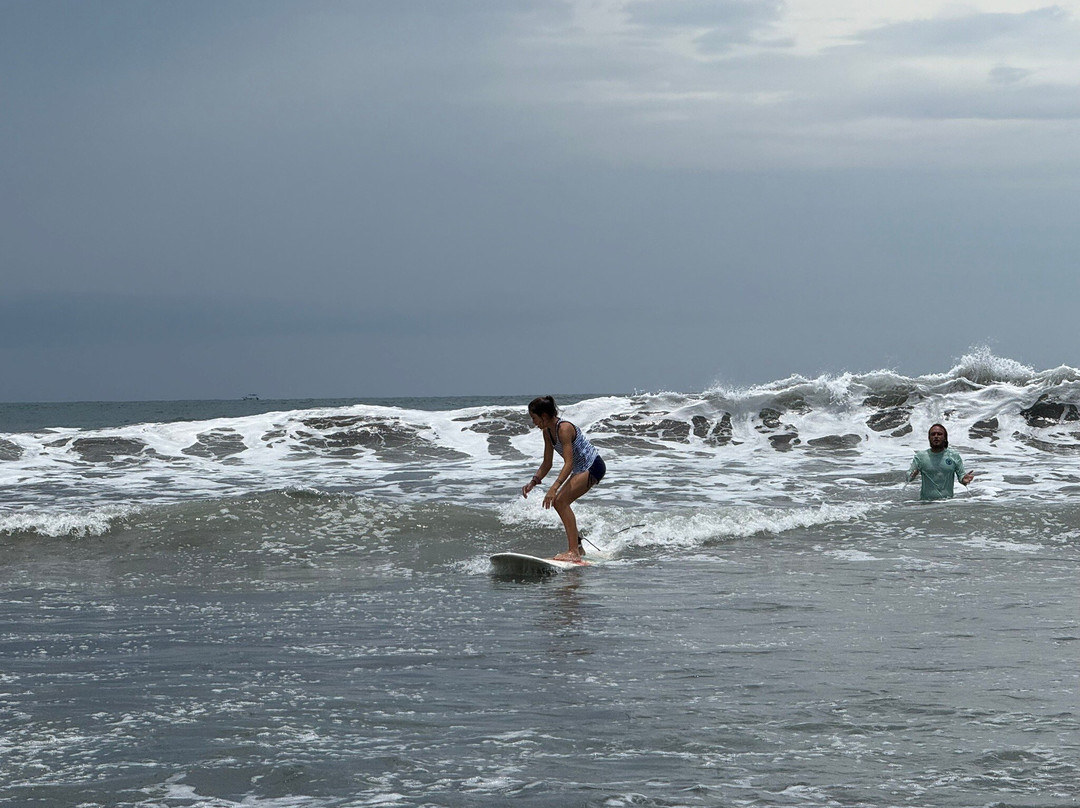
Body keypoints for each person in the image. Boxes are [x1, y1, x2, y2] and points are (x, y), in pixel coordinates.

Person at [520, 396, 606, 561]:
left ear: (544, 415)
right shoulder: (547, 432)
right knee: (560, 502)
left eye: (534, 418)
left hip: (593, 465)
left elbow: (569, 463)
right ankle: (577, 547)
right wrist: (533, 482)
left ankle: (573, 552)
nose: (533, 422)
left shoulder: (564, 429)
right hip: (580, 469)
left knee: (560, 501)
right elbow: (547, 463)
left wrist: (554, 488)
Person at [908, 423, 974, 500]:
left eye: (939, 434)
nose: (936, 436)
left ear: (945, 437)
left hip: (947, 503)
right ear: (929, 438)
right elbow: (908, 477)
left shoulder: (954, 456)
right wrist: (912, 475)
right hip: (926, 503)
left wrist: (964, 480)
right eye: (933, 434)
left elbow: (961, 476)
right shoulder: (921, 456)